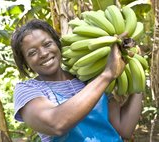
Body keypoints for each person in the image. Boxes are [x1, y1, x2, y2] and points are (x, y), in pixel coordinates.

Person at [10, 19, 143, 142]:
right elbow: (56, 124)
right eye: (32, 53)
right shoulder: (27, 90)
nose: (44, 53)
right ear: (25, 63)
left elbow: (124, 129)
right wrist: (108, 74)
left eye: (47, 44)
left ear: (57, 44)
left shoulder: (88, 77)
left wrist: (138, 73)